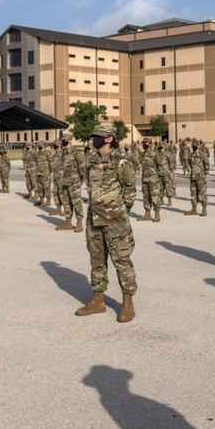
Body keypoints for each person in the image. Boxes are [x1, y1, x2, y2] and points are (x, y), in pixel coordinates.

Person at [75, 124, 138, 322]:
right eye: (93, 136)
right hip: (94, 219)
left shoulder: (121, 162)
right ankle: (98, 299)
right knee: (96, 260)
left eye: (98, 136)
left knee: (121, 260)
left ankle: (128, 302)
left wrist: (120, 212)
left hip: (115, 221)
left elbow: (130, 190)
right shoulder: (92, 161)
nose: (94, 140)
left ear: (109, 138)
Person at [138, 139, 162, 222]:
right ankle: (147, 214)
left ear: (150, 144)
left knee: (155, 196)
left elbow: (160, 166)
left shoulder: (155, 154)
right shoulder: (142, 155)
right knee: (146, 197)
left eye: (146, 143)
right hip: (145, 179)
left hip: (153, 179)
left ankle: (157, 214)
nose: (144, 144)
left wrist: (157, 177)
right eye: (143, 143)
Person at [185, 140, 209, 217]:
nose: (194, 148)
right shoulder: (191, 155)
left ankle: (204, 209)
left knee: (202, 193)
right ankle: (194, 209)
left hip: (201, 177)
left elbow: (207, 165)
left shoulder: (202, 155)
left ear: (199, 146)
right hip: (193, 177)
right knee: (193, 193)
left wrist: (204, 174)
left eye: (196, 146)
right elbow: (188, 164)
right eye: (193, 146)